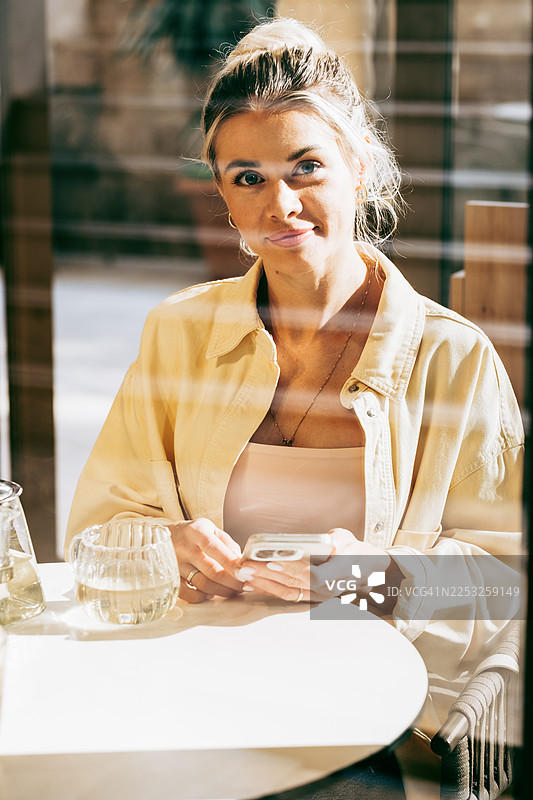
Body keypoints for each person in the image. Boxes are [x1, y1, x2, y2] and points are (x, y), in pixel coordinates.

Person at [65, 16, 523, 736]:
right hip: (183, 689)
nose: (279, 206)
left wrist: (359, 578)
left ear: (360, 165)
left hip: (375, 717)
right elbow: (96, 531)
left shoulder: (450, 356)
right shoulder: (177, 333)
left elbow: (502, 582)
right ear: (222, 193)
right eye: (248, 179)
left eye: (306, 168)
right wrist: (166, 546)